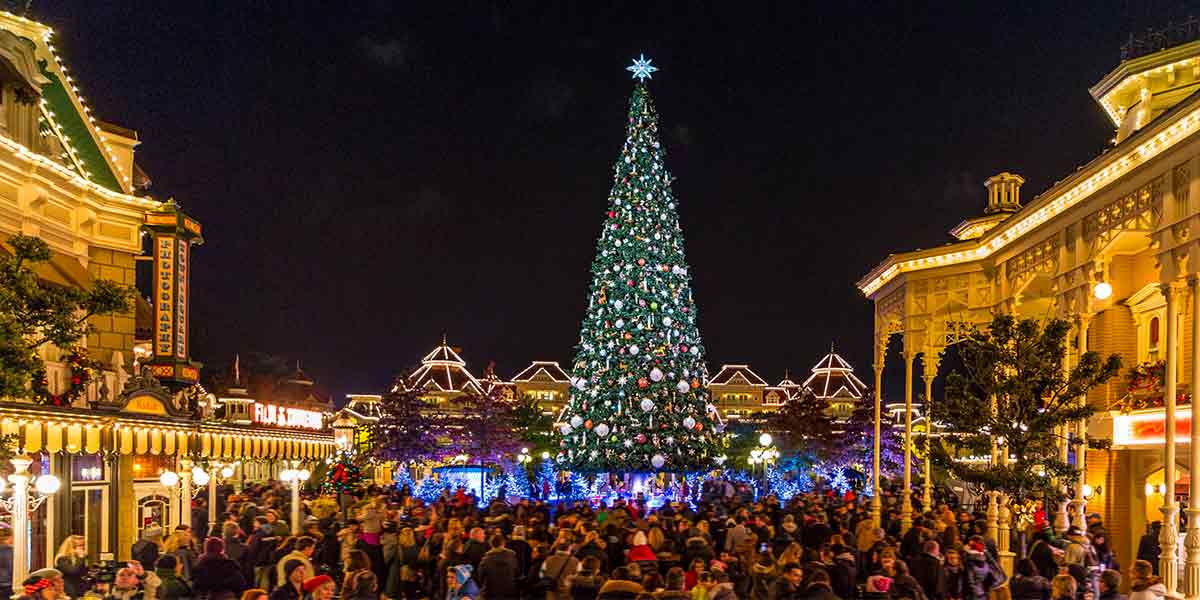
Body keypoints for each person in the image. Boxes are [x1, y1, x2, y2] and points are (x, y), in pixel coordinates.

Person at [477, 534, 520, 599]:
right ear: (503, 543)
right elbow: (517, 573)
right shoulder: (512, 557)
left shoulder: (485, 560)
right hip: (510, 592)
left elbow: (480, 577)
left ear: (491, 544)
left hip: (491, 593)